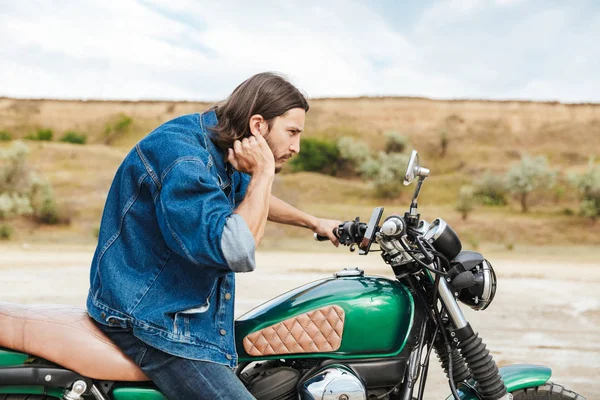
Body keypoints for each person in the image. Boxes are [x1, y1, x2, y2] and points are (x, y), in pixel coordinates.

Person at [86, 72, 340, 399]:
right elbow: (233, 247)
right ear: (259, 125)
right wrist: (263, 173)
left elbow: (245, 195)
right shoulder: (186, 158)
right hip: (149, 319)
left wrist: (315, 222)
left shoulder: (215, 143)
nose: (297, 147)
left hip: (171, 310)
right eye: (292, 133)